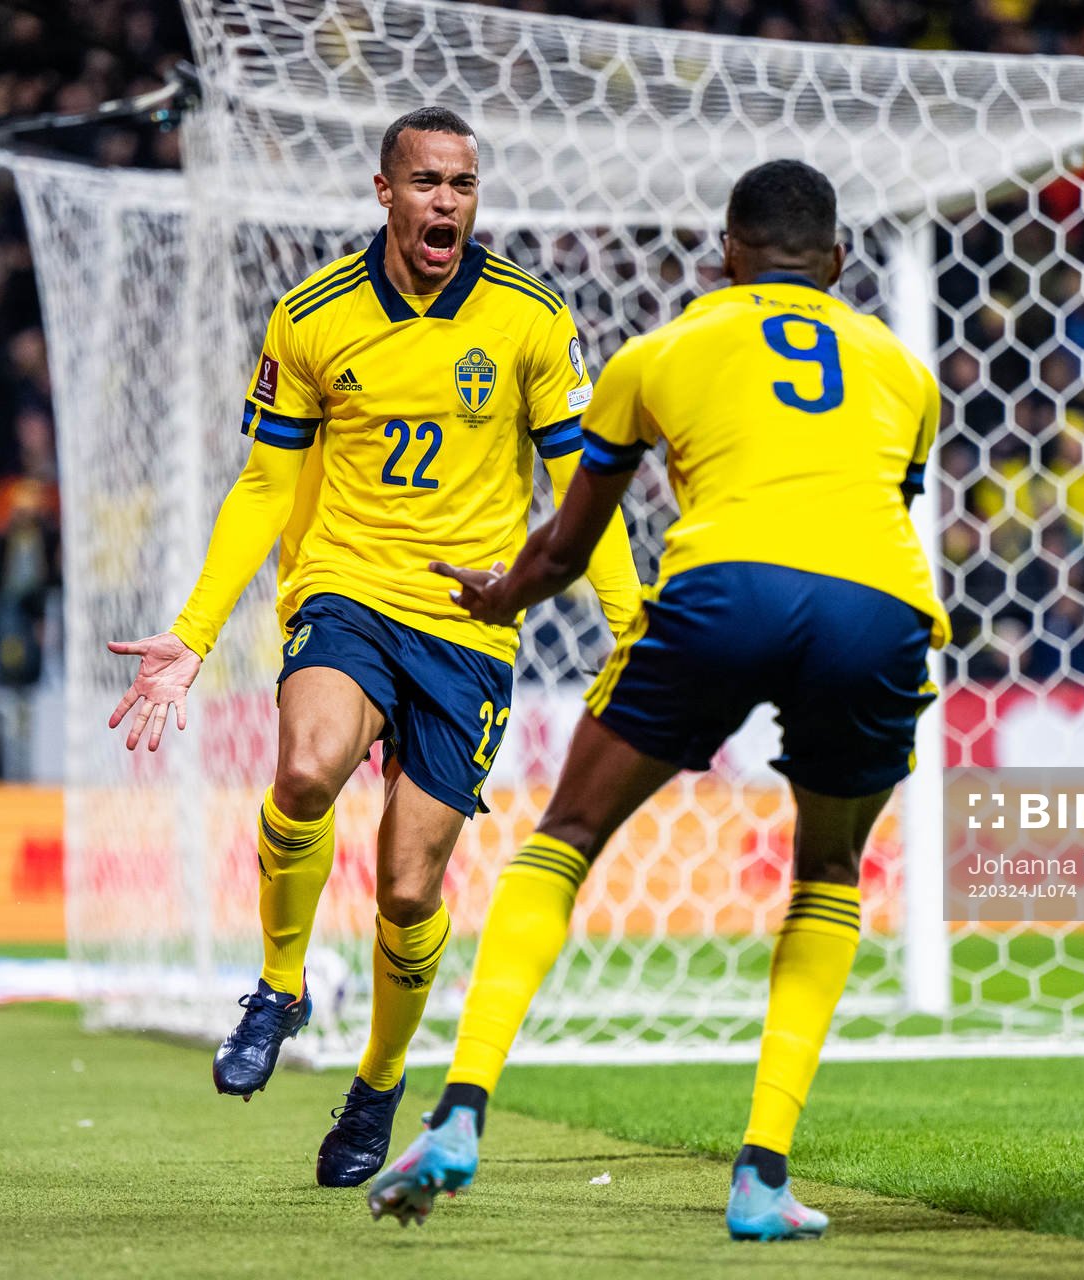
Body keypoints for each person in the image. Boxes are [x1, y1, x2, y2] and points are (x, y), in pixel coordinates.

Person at [365, 159, 946, 1241]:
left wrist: (501, 595)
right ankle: (762, 1176)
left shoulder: (658, 352)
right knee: (828, 870)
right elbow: (879, 513)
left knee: (567, 834)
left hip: (723, 591)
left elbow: (565, 547)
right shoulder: (909, 376)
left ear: (724, 253)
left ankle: (458, 1115)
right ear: (838, 261)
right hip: (880, 608)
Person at [104, 107, 640, 1187]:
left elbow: (587, 487)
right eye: (428, 181)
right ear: (386, 190)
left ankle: (379, 1082)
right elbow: (265, 484)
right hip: (344, 589)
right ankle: (279, 986)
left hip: (472, 621)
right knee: (305, 769)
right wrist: (197, 631)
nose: (447, 201)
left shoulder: (531, 318)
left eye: (464, 184)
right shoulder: (311, 316)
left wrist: (632, 629)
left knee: (406, 890)